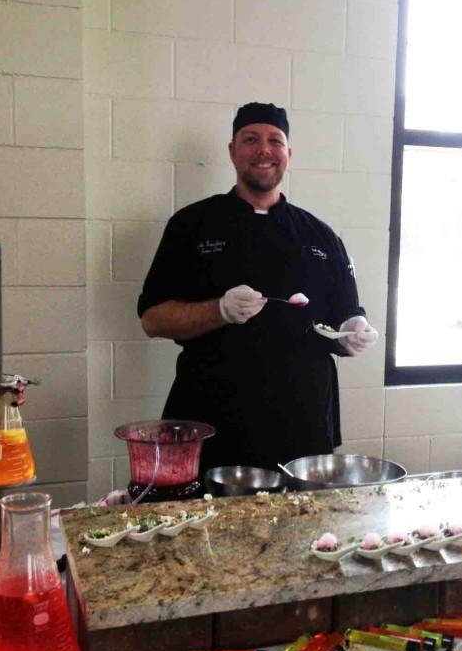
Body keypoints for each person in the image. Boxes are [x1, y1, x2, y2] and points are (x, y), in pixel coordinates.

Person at [138, 102, 379, 473]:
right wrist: (217, 310)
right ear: (232, 151)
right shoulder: (191, 226)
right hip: (212, 420)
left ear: (288, 154)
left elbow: (345, 314)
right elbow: (153, 319)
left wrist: (353, 332)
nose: (264, 150)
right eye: (251, 139)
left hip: (304, 424)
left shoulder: (320, 235)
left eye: (275, 141)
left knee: (305, 528)